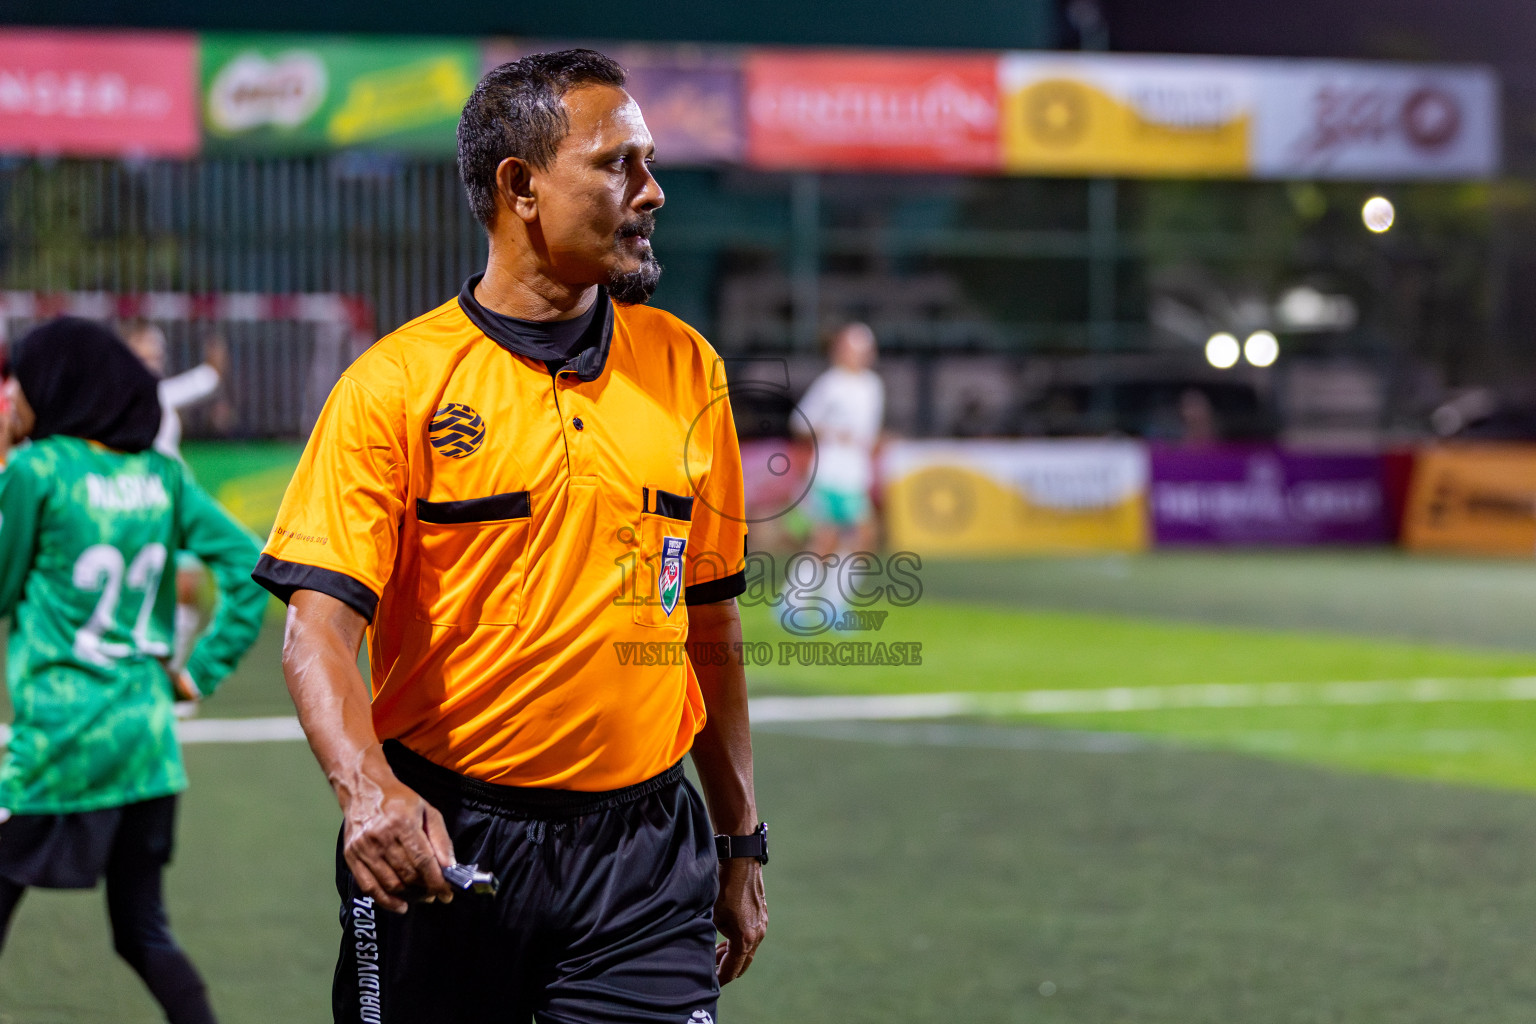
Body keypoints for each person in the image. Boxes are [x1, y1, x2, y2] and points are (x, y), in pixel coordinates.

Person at [252, 50, 766, 1024]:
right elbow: (316, 630)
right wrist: (368, 793)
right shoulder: (395, 385)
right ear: (519, 187)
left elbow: (711, 624)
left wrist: (742, 838)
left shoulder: (688, 369)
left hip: (646, 858)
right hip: (444, 837)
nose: (651, 192)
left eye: (650, 163)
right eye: (619, 165)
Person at [0, 318, 267, 1023]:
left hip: (60, 742)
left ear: (54, 387)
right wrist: (197, 672)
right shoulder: (160, 476)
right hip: (148, 746)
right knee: (142, 930)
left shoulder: (39, 469)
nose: (12, 396)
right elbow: (247, 567)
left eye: (18, 380)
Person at [124, 322, 233, 672]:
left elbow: (209, 378)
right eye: (146, 351)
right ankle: (142, 666)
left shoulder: (164, 393)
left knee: (188, 586)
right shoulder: (116, 399)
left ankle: (169, 669)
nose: (154, 359)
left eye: (158, 352)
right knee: (143, 591)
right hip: (141, 503)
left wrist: (217, 337)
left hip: (176, 500)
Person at [794, 321, 886, 558]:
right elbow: (799, 423)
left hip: (855, 474)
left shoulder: (872, 386)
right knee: (826, 541)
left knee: (861, 540)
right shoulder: (830, 383)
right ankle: (792, 597)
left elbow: (869, 434)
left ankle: (835, 595)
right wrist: (833, 432)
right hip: (829, 472)